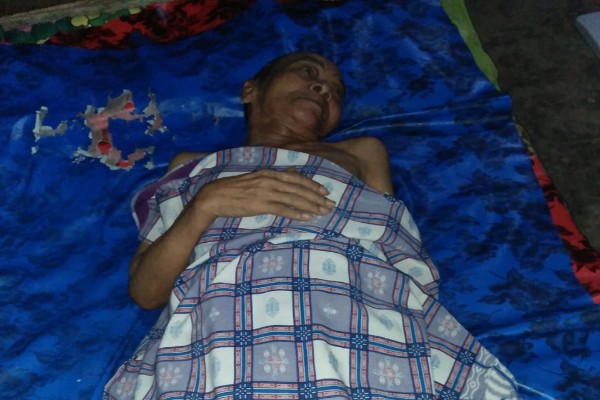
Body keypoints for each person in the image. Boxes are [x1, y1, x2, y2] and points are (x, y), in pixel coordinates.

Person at [104, 52, 518, 399]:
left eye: (336, 92)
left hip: (343, 285)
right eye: (307, 72)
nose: (324, 89)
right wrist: (207, 204)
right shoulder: (194, 167)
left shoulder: (360, 153)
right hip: (226, 295)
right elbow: (146, 291)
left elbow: (392, 240)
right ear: (251, 90)